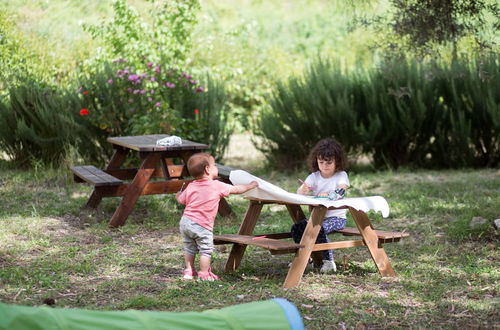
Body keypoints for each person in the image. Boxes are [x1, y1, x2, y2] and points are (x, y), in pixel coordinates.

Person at [176, 153, 258, 281]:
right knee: (205, 250)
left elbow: (181, 200)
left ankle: (188, 271)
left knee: (189, 247)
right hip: (202, 225)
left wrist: (178, 195)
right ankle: (204, 273)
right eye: (214, 165)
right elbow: (237, 189)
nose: (216, 168)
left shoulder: (191, 185)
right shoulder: (216, 185)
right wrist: (250, 185)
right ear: (208, 169)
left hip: (186, 222)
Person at [292, 138, 349, 273]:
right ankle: (306, 258)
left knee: (319, 229)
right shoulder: (314, 176)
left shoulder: (341, 175)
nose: (324, 166)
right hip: (318, 217)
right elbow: (300, 192)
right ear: (316, 161)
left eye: (329, 163)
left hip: (337, 218)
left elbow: (341, 190)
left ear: (337, 162)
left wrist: (330, 194)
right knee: (297, 228)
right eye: (321, 162)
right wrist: (303, 190)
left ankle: (329, 261)